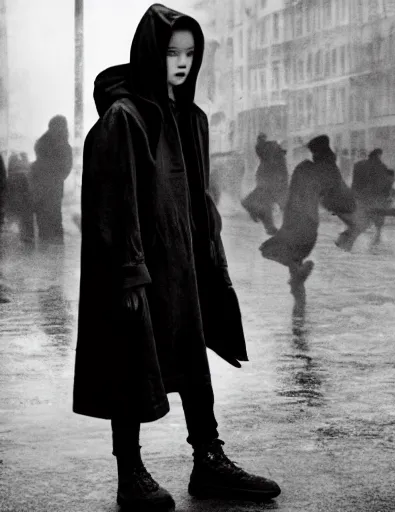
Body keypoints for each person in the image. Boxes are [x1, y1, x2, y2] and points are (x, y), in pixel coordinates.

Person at [74, 5, 281, 510]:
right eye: (172, 52)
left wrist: (211, 247)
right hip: (143, 267)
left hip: (185, 263)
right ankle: (131, 472)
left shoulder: (191, 118)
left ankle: (208, 460)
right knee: (131, 361)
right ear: (151, 53)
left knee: (191, 358)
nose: (183, 62)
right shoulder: (125, 119)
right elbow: (112, 200)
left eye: (190, 53)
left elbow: (197, 194)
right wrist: (128, 273)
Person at [260, 135, 356, 290]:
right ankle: (298, 283)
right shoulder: (329, 172)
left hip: (291, 221)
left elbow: (289, 194)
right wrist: (351, 227)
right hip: (308, 225)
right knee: (289, 254)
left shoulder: (303, 167)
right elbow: (340, 203)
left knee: (275, 252)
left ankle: (298, 293)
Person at [337, 147, 394, 250]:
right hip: (374, 200)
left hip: (359, 199)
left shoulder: (358, 165)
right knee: (370, 223)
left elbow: (355, 183)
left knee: (361, 222)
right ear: (379, 155)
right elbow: (384, 186)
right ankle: (373, 242)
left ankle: (345, 241)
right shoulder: (381, 167)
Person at [31, 115, 74, 244]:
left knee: (45, 216)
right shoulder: (63, 144)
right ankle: (55, 247)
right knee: (54, 216)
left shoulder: (44, 142)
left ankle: (47, 245)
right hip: (52, 185)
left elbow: (41, 161)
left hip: (43, 184)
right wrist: (57, 177)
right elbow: (66, 167)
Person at [241, 133, 289, 235]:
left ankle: (249, 204)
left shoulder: (270, 151)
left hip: (269, 180)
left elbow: (260, 150)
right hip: (272, 181)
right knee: (267, 203)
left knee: (265, 201)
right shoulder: (274, 151)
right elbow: (282, 171)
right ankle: (270, 227)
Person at [7, 153, 33, 244]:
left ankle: (25, 236)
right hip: (25, 198)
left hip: (17, 198)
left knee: (19, 216)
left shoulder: (12, 175)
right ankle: (28, 237)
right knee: (26, 216)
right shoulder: (26, 173)